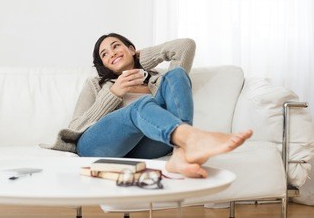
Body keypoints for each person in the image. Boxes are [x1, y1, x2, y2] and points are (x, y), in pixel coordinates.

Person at [51, 33, 253, 178]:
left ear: (131, 49)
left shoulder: (157, 80)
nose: (111, 53)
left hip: (146, 146)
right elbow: (76, 125)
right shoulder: (96, 85)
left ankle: (181, 153)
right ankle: (191, 140)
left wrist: (141, 59)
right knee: (141, 105)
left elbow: (185, 45)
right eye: (104, 54)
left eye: (116, 46)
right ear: (104, 65)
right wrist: (113, 94)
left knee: (177, 74)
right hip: (98, 145)